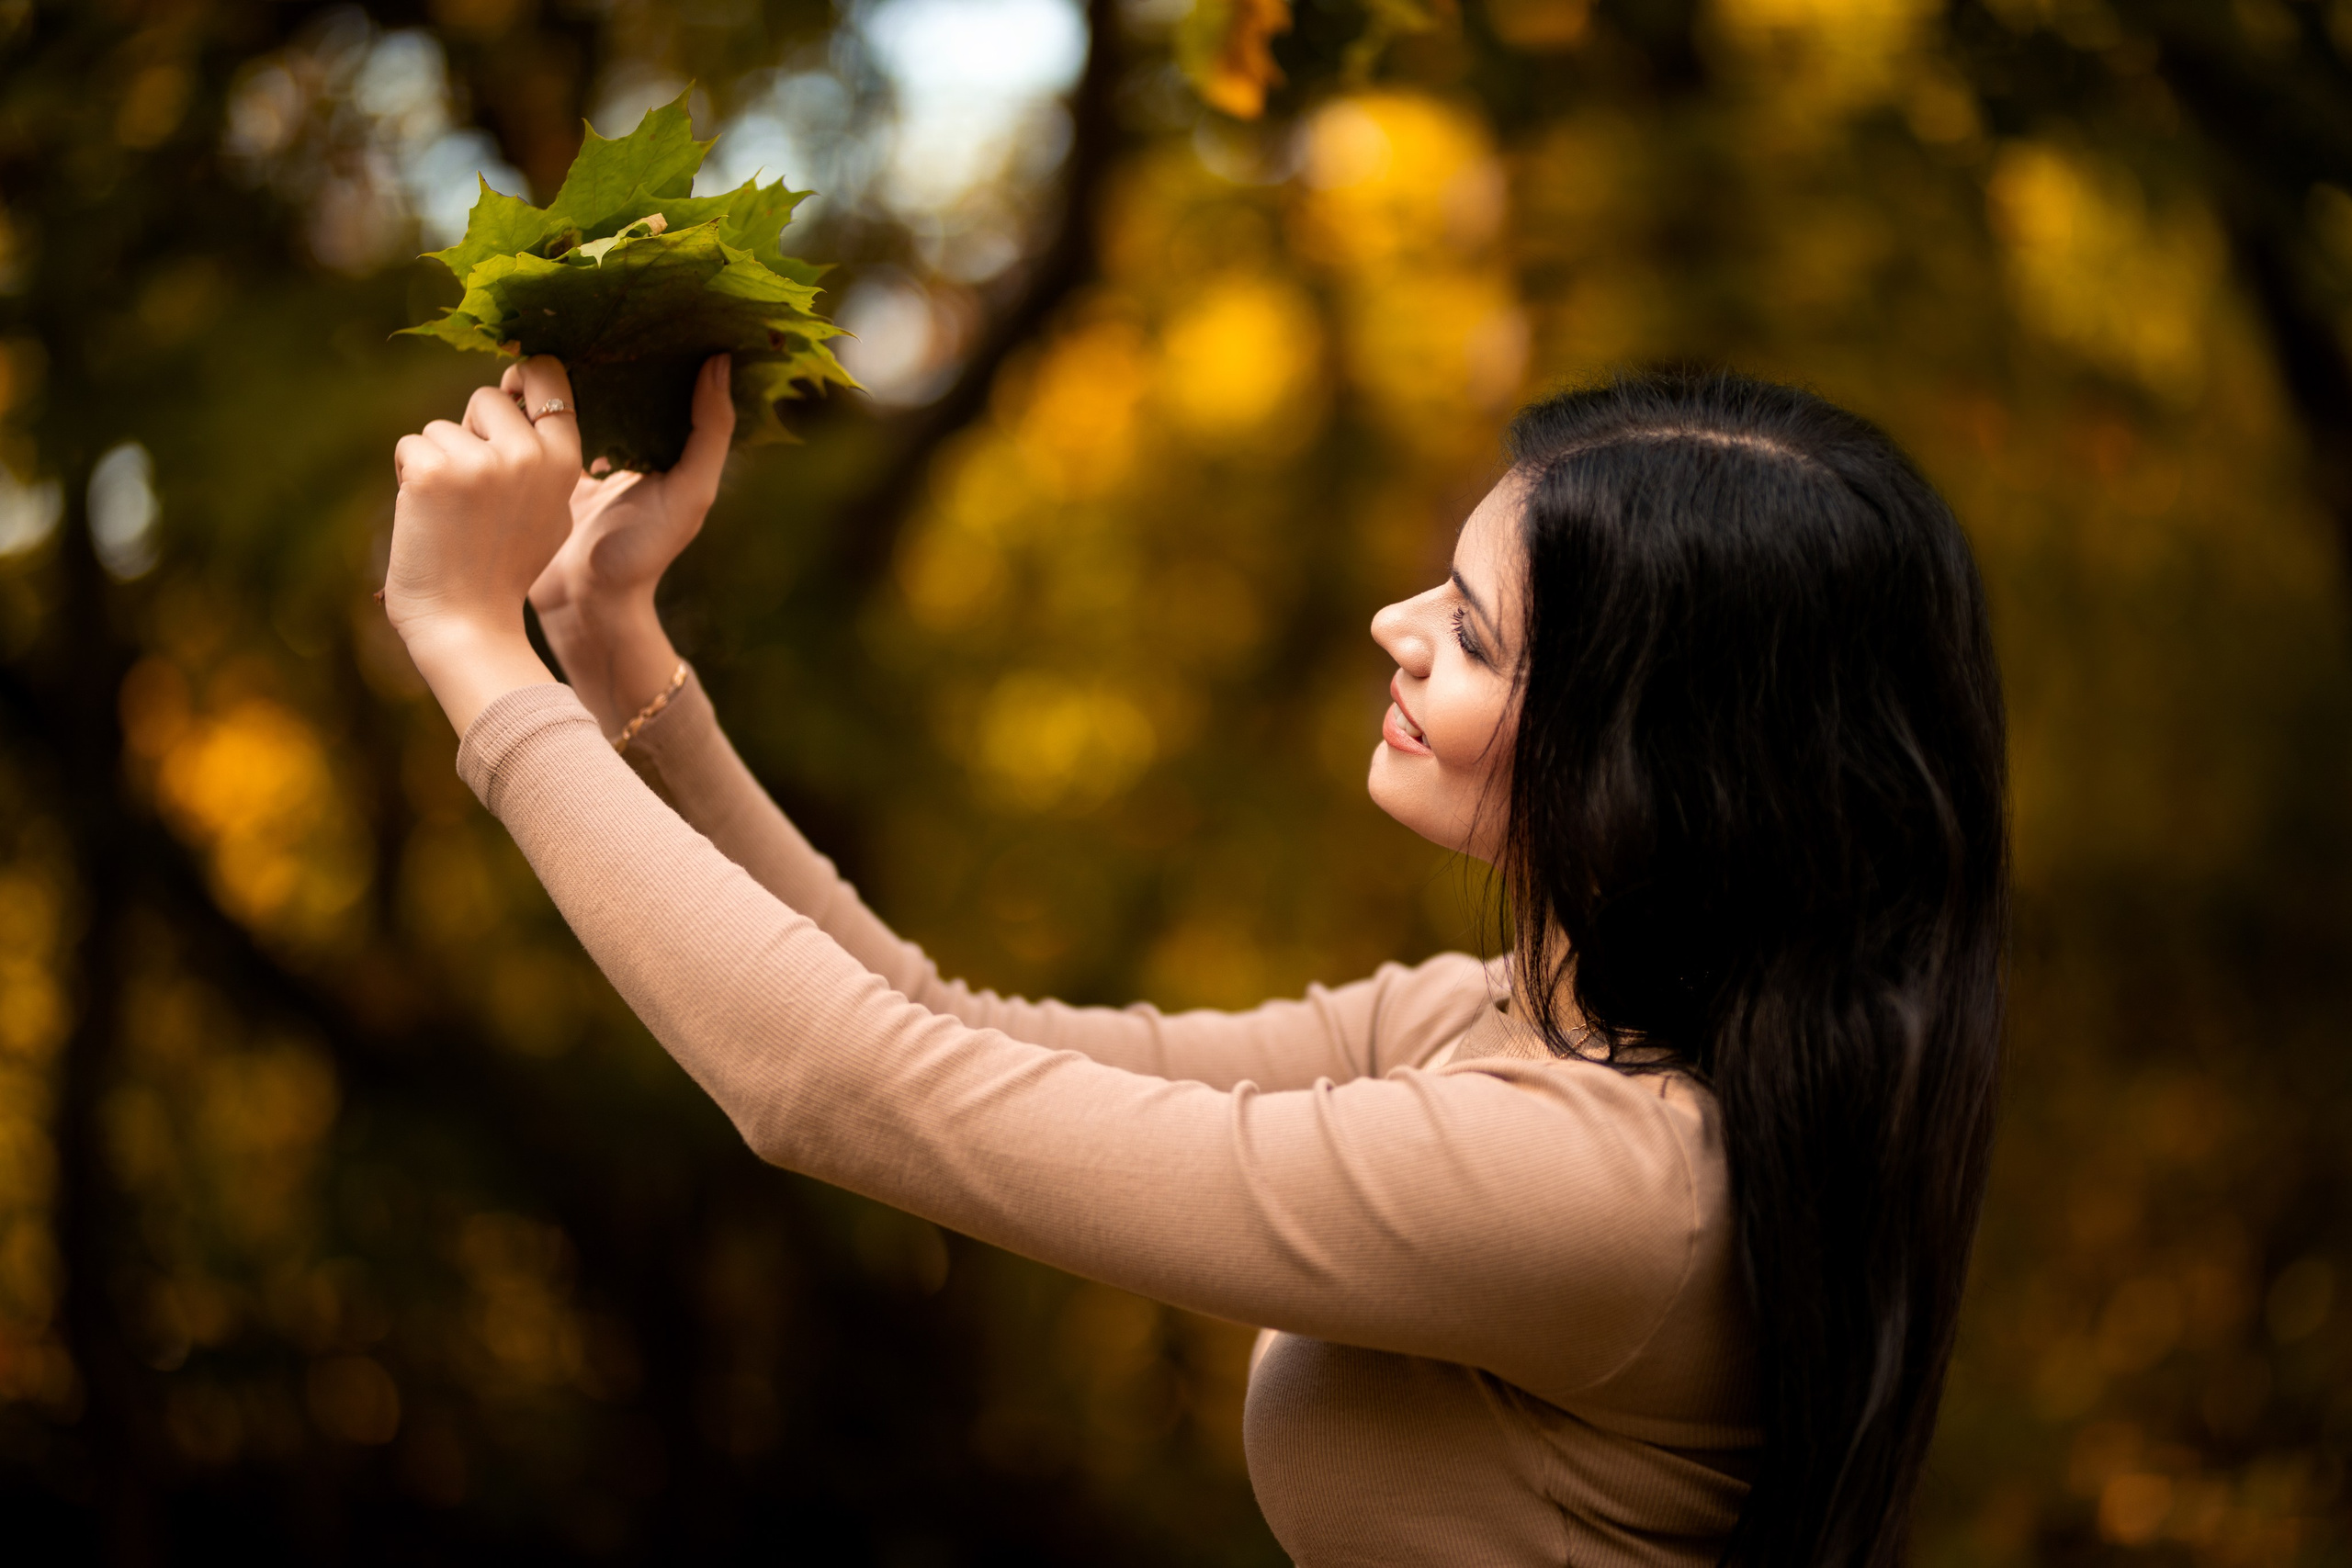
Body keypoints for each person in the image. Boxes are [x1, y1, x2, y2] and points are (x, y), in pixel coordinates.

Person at [383, 351, 2007, 1567]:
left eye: (1472, 633)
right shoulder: (1505, 1025)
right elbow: (937, 1027)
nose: (1395, 628)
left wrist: (472, 652)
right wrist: (606, 641)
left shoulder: (1604, 1182)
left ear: (1655, 769)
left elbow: (840, 1086)